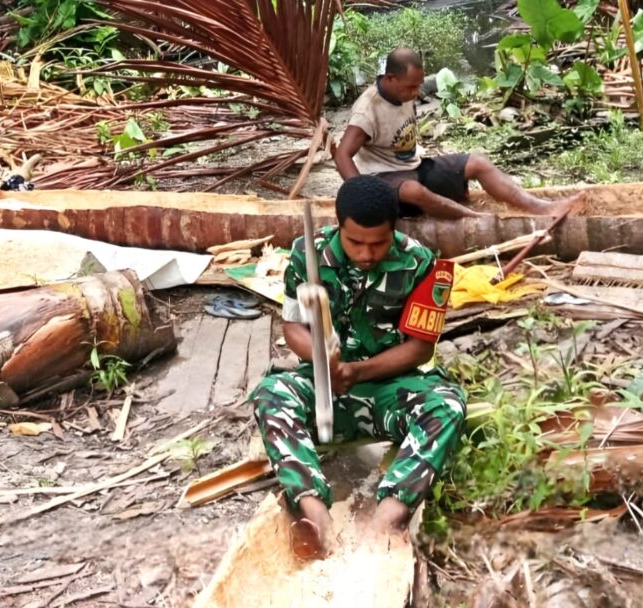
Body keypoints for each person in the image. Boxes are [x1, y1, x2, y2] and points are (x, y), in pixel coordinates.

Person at [249, 175, 467, 560]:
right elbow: (293, 326)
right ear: (339, 227)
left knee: (446, 406)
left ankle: (389, 515)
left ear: (395, 229)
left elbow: (420, 348)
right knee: (271, 394)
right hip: (324, 391)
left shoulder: (422, 264)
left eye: (378, 243)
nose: (366, 254)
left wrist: (357, 372)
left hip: (390, 391)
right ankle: (314, 511)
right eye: (355, 243)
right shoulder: (307, 255)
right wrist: (321, 359)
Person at [334, 48, 585, 220]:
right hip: (383, 177)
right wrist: (364, 195)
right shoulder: (367, 111)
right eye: (411, 87)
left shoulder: (404, 91)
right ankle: (473, 217)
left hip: (415, 166)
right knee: (414, 192)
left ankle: (540, 208)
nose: (416, 92)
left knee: (478, 162)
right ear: (390, 78)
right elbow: (343, 155)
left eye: (419, 85)